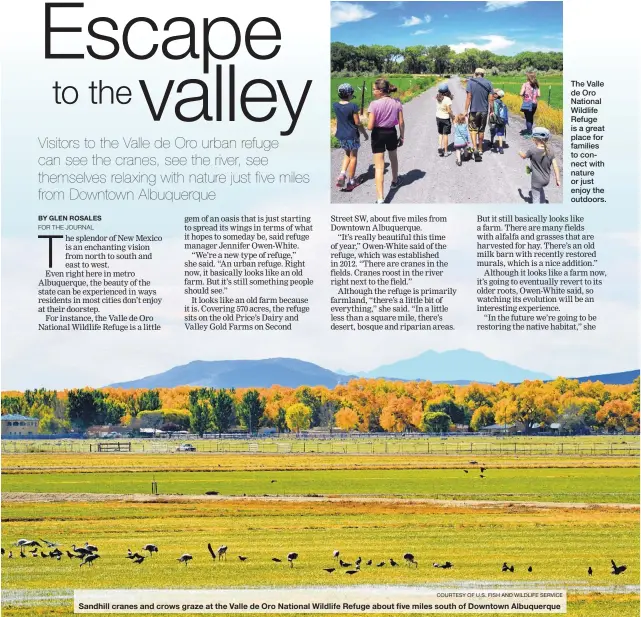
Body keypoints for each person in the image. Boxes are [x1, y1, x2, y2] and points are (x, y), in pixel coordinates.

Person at [367, 78, 405, 204]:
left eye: (374, 89)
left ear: (381, 91)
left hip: (378, 134)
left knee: (379, 167)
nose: (373, 92)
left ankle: (380, 198)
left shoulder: (373, 104)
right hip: (391, 133)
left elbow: (370, 126)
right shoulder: (397, 102)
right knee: (393, 158)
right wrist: (402, 136)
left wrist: (368, 119)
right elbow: (401, 122)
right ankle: (395, 181)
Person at [333, 83, 369, 191]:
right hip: (352, 135)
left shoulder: (335, 105)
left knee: (347, 154)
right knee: (353, 157)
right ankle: (351, 181)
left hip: (341, 135)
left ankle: (342, 174)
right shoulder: (353, 106)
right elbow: (357, 122)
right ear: (349, 94)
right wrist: (365, 133)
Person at [518, 127, 561, 204]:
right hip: (546, 180)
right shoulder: (550, 150)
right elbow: (555, 166)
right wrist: (557, 179)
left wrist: (519, 152)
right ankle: (543, 202)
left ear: (534, 139)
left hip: (536, 181)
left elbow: (524, 156)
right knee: (540, 189)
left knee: (535, 198)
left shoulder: (532, 150)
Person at [465, 68, 494, 162]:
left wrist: (465, 110)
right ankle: (481, 148)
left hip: (473, 110)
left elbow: (469, 97)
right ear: (483, 74)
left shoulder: (470, 82)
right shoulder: (489, 83)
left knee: (473, 129)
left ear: (475, 73)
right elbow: (491, 99)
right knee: (481, 129)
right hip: (484, 111)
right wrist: (491, 110)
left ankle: (475, 148)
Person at [435, 83, 454, 157]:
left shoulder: (437, 97)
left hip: (438, 117)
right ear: (447, 91)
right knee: (445, 134)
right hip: (445, 118)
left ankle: (440, 147)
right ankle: (446, 151)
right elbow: (449, 111)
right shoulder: (447, 99)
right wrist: (453, 117)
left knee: (440, 133)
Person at [520, 72, 541, 136]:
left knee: (528, 118)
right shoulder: (536, 85)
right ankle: (530, 130)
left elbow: (521, 93)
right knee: (531, 117)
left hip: (527, 103)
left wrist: (525, 94)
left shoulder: (525, 84)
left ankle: (529, 133)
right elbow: (539, 95)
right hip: (534, 103)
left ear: (528, 77)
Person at [489, 89, 509, 154]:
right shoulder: (502, 103)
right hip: (502, 120)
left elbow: (494, 111)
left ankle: (491, 142)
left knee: (492, 131)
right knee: (500, 134)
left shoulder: (495, 102)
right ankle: (501, 148)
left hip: (496, 120)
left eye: (496, 93)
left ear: (497, 95)